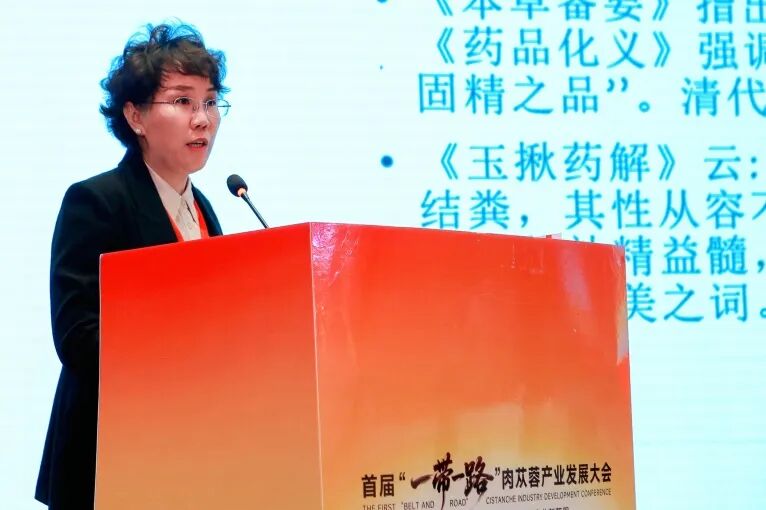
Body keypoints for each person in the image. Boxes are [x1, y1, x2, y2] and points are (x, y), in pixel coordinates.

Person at [35, 22, 228, 508]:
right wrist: (180, 354)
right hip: (108, 456)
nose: (202, 120)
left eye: (210, 102)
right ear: (135, 115)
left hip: (191, 453)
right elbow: (78, 336)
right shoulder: (96, 201)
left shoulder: (205, 208)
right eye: (182, 101)